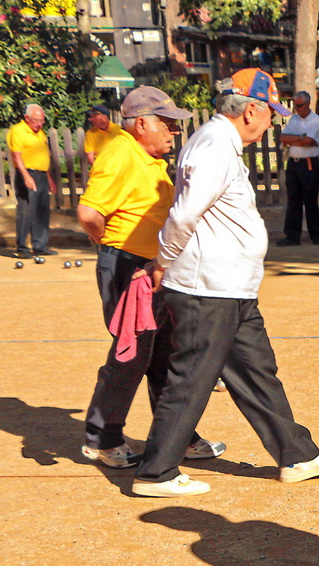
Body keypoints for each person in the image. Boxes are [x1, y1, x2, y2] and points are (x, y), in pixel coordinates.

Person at [132, 69, 319, 497]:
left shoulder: (221, 145)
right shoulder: (214, 146)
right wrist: (162, 261)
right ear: (250, 109)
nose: (273, 121)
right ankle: (155, 473)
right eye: (270, 112)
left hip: (231, 287)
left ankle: (297, 456)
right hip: (206, 287)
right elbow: (183, 215)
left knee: (256, 371)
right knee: (192, 376)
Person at [77, 86, 225, 470]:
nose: (173, 131)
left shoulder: (147, 158)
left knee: (166, 353)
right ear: (141, 123)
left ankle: (177, 435)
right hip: (127, 265)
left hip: (152, 266)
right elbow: (89, 212)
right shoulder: (120, 154)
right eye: (167, 123)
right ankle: (102, 438)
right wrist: (107, 243)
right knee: (132, 352)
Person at [276, 91, 319, 247]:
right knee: (293, 201)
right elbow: (283, 138)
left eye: (300, 105)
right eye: (296, 106)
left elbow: (311, 141)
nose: (298, 109)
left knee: (310, 201)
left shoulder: (316, 121)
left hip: (309, 163)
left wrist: (293, 140)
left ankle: (316, 235)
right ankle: (292, 236)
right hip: (293, 163)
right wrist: (300, 138)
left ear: (308, 104)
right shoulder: (293, 120)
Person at [7, 104, 57, 257]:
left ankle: (40, 245)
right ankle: (22, 248)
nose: (40, 124)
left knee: (42, 210)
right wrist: (26, 177)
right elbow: (17, 156)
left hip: (41, 174)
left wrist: (49, 178)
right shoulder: (17, 131)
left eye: (42, 121)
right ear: (27, 118)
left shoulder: (40, 133)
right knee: (26, 210)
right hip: (27, 173)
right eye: (36, 120)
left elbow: (44, 156)